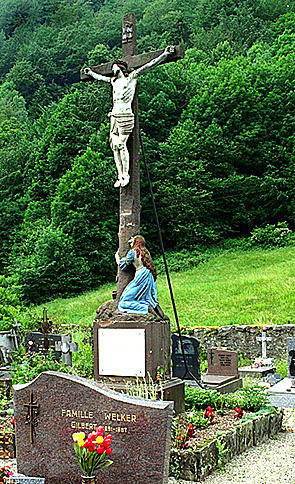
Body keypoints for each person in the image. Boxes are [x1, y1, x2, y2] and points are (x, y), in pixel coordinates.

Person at [83, 46, 175, 188]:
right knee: (114, 146)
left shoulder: (131, 78)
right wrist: (91, 73)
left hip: (125, 115)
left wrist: (164, 54)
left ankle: (126, 174)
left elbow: (150, 65)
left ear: (120, 68)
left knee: (121, 144)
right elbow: (100, 78)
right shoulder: (113, 82)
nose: (113, 70)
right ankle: (119, 175)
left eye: (115, 67)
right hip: (114, 115)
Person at [115, 235, 164, 317]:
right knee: (150, 298)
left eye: (131, 242)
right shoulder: (146, 252)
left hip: (140, 276)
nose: (130, 244)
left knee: (124, 302)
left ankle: (146, 308)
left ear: (135, 243)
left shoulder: (133, 252)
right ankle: (158, 311)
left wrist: (117, 258)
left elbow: (123, 265)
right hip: (149, 275)